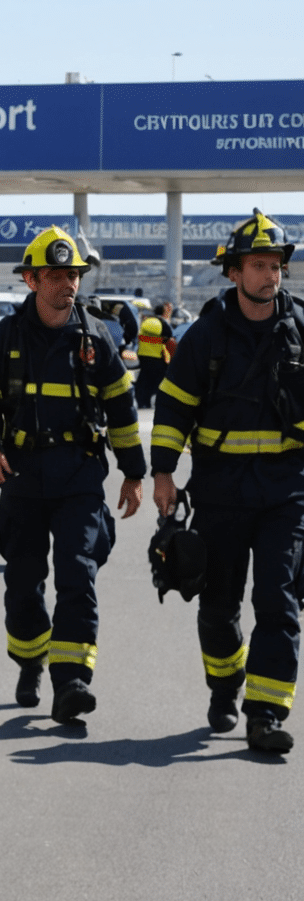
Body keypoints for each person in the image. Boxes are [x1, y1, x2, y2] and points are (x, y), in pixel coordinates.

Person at [0, 227, 145, 722]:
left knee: (77, 573)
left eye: (74, 274)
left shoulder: (97, 338)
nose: (68, 284)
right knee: (23, 581)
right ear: (32, 280)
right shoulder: (4, 337)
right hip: (21, 477)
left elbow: (123, 411)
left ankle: (72, 682)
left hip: (79, 478)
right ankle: (29, 662)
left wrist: (134, 472)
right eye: (57, 275)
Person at [151, 212, 303, 754]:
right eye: (259, 265)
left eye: (277, 265)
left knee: (278, 601)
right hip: (219, 493)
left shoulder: (301, 328)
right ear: (235, 272)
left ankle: (265, 714)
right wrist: (163, 472)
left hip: (286, 494)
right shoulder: (205, 336)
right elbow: (171, 408)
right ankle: (225, 685)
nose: (271, 275)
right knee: (218, 608)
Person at [132, 301, 176, 409]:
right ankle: (155, 401)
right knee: (159, 380)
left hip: (143, 355)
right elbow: (169, 339)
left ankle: (142, 402)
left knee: (143, 380)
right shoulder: (162, 323)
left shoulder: (146, 321)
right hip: (156, 356)